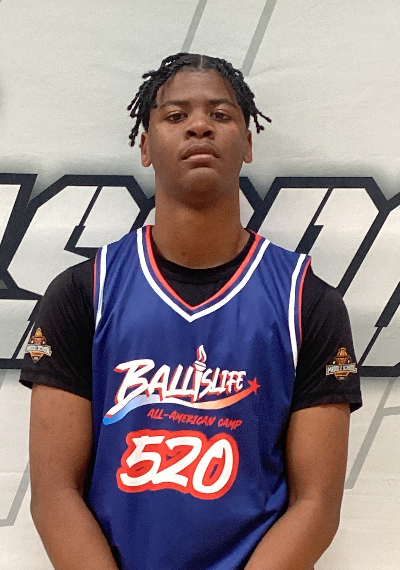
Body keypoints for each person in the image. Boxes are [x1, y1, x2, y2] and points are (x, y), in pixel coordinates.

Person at [20, 53, 362, 570]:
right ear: (145, 146)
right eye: (176, 115)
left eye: (220, 115)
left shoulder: (307, 301)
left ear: (247, 144)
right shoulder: (82, 293)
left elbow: (316, 505)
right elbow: (54, 495)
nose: (199, 126)